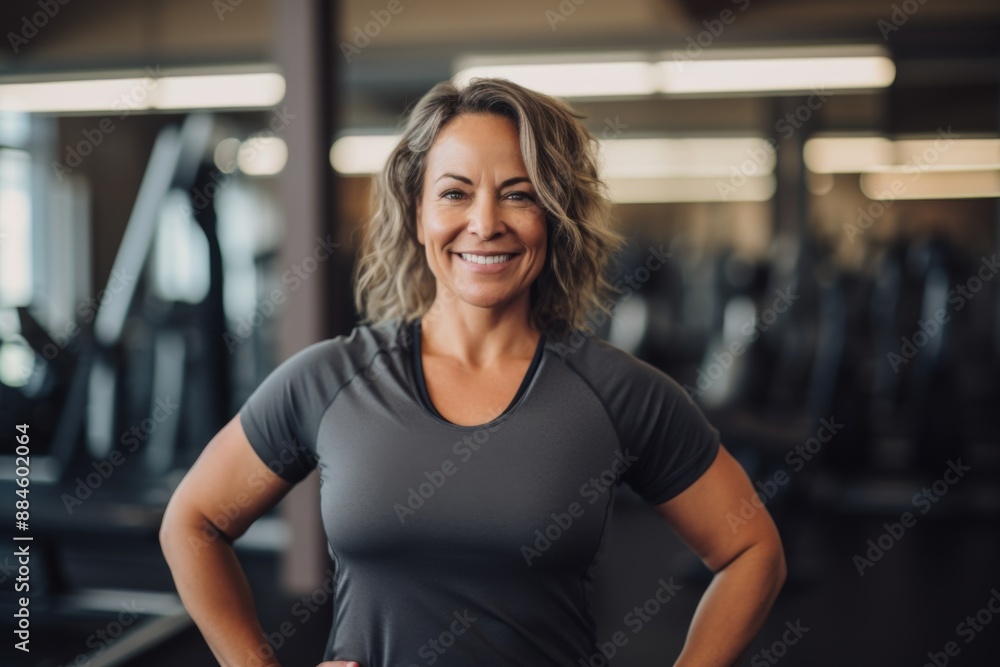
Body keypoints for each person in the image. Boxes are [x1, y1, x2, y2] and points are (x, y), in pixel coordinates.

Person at [159, 77, 786, 667]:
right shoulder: (329, 379)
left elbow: (752, 551)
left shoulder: (617, 391)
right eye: (455, 192)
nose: (485, 224)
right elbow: (193, 522)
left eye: (518, 194)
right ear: (417, 211)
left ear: (555, 215)